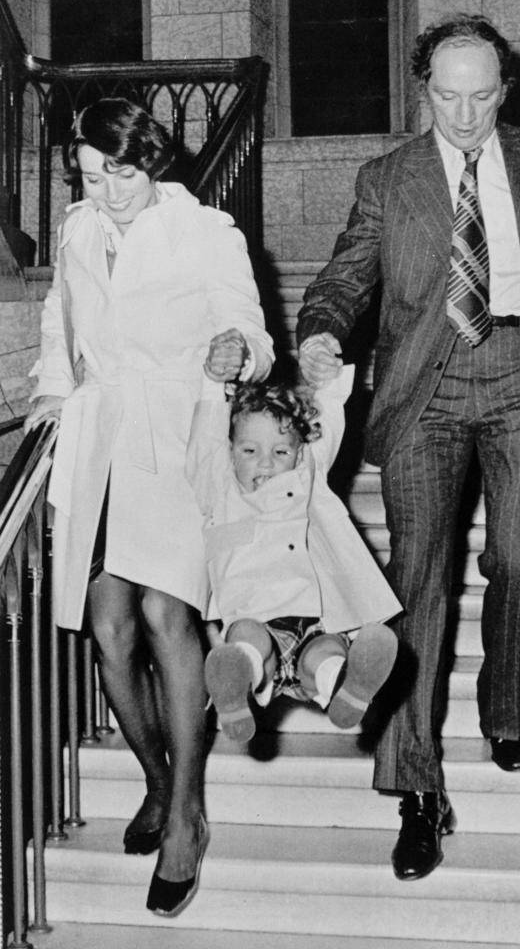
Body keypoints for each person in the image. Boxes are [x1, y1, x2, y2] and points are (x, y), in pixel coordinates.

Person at [296, 14, 520, 882]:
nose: (464, 115)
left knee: (518, 559)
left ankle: (504, 706)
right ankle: (416, 790)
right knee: (417, 582)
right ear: (422, 87)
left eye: (481, 96)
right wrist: (322, 329)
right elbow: (348, 271)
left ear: (504, 91)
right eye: (446, 95)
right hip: (425, 387)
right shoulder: (388, 177)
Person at [25, 98, 274, 917]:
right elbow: (60, 327)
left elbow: (250, 331)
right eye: (91, 175)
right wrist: (52, 399)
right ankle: (158, 779)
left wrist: (237, 352)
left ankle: (187, 817)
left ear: (151, 160)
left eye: (120, 172)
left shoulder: (205, 231)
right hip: (100, 442)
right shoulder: (74, 230)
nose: (106, 190)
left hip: (179, 434)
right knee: (107, 626)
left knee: (170, 617)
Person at [185, 367, 400, 741]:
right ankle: (236, 685)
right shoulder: (219, 485)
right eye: (249, 451)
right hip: (255, 617)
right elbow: (204, 441)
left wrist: (329, 378)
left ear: (299, 453)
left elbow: (328, 421)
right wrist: (213, 382)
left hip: (316, 619)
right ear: (230, 450)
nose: (265, 463)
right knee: (250, 640)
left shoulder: (307, 478)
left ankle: (346, 685)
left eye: (280, 451)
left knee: (327, 652)